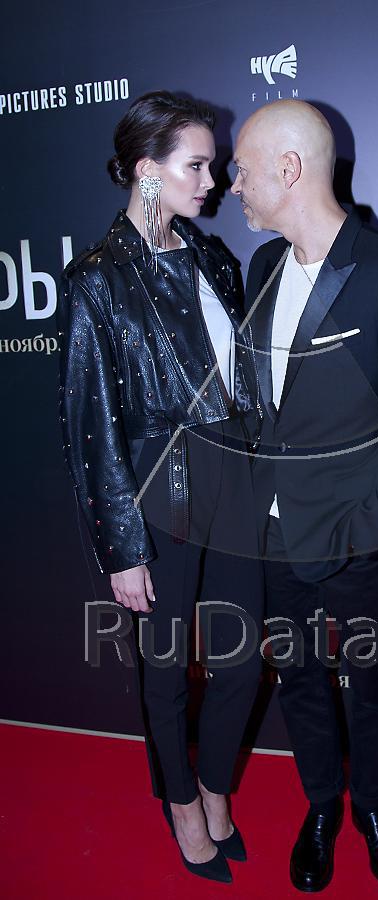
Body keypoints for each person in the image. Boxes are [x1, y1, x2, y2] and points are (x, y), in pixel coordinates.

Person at [231, 100, 378, 891]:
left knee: (373, 687)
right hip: (273, 535)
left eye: (243, 171)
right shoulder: (262, 267)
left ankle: (373, 808)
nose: (234, 186)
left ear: (288, 170)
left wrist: (367, 531)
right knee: (297, 680)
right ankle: (322, 804)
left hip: (363, 541)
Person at [57, 91, 265, 884]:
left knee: (241, 661)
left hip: (234, 479)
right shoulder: (98, 279)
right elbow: (91, 425)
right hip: (159, 490)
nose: (214, 182)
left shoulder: (215, 259)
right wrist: (122, 546)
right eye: (197, 166)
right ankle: (181, 805)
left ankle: (214, 789)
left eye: (213, 166)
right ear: (147, 172)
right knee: (167, 667)